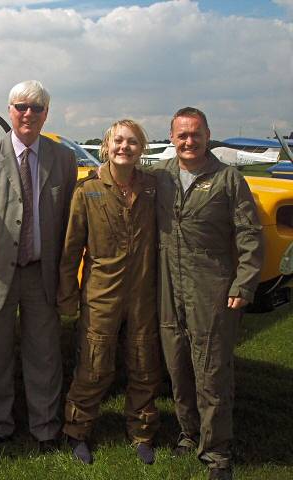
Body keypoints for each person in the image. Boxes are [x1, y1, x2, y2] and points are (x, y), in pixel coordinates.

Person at [0, 80, 77, 450]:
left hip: (42, 274)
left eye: (36, 108)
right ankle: (0, 426)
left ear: (45, 114)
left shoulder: (63, 158)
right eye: (21, 106)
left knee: (45, 355)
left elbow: (72, 222)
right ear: (10, 110)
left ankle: (45, 428)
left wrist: (66, 278)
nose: (28, 114)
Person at [152, 108, 263, 480]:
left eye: (195, 134)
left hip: (211, 286)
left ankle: (217, 453)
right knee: (177, 366)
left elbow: (249, 234)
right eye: (182, 135)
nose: (188, 141)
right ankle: (188, 432)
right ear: (172, 138)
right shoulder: (160, 176)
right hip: (168, 284)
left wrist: (244, 282)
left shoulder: (228, 179)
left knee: (212, 371)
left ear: (207, 136)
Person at [57, 119, 161, 465]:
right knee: (93, 366)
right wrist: (68, 295)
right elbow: (71, 251)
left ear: (141, 149)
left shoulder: (152, 189)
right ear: (107, 145)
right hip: (102, 294)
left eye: (132, 142)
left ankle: (142, 432)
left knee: (144, 365)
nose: (124, 147)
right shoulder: (87, 191)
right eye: (118, 141)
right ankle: (77, 431)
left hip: (143, 294)